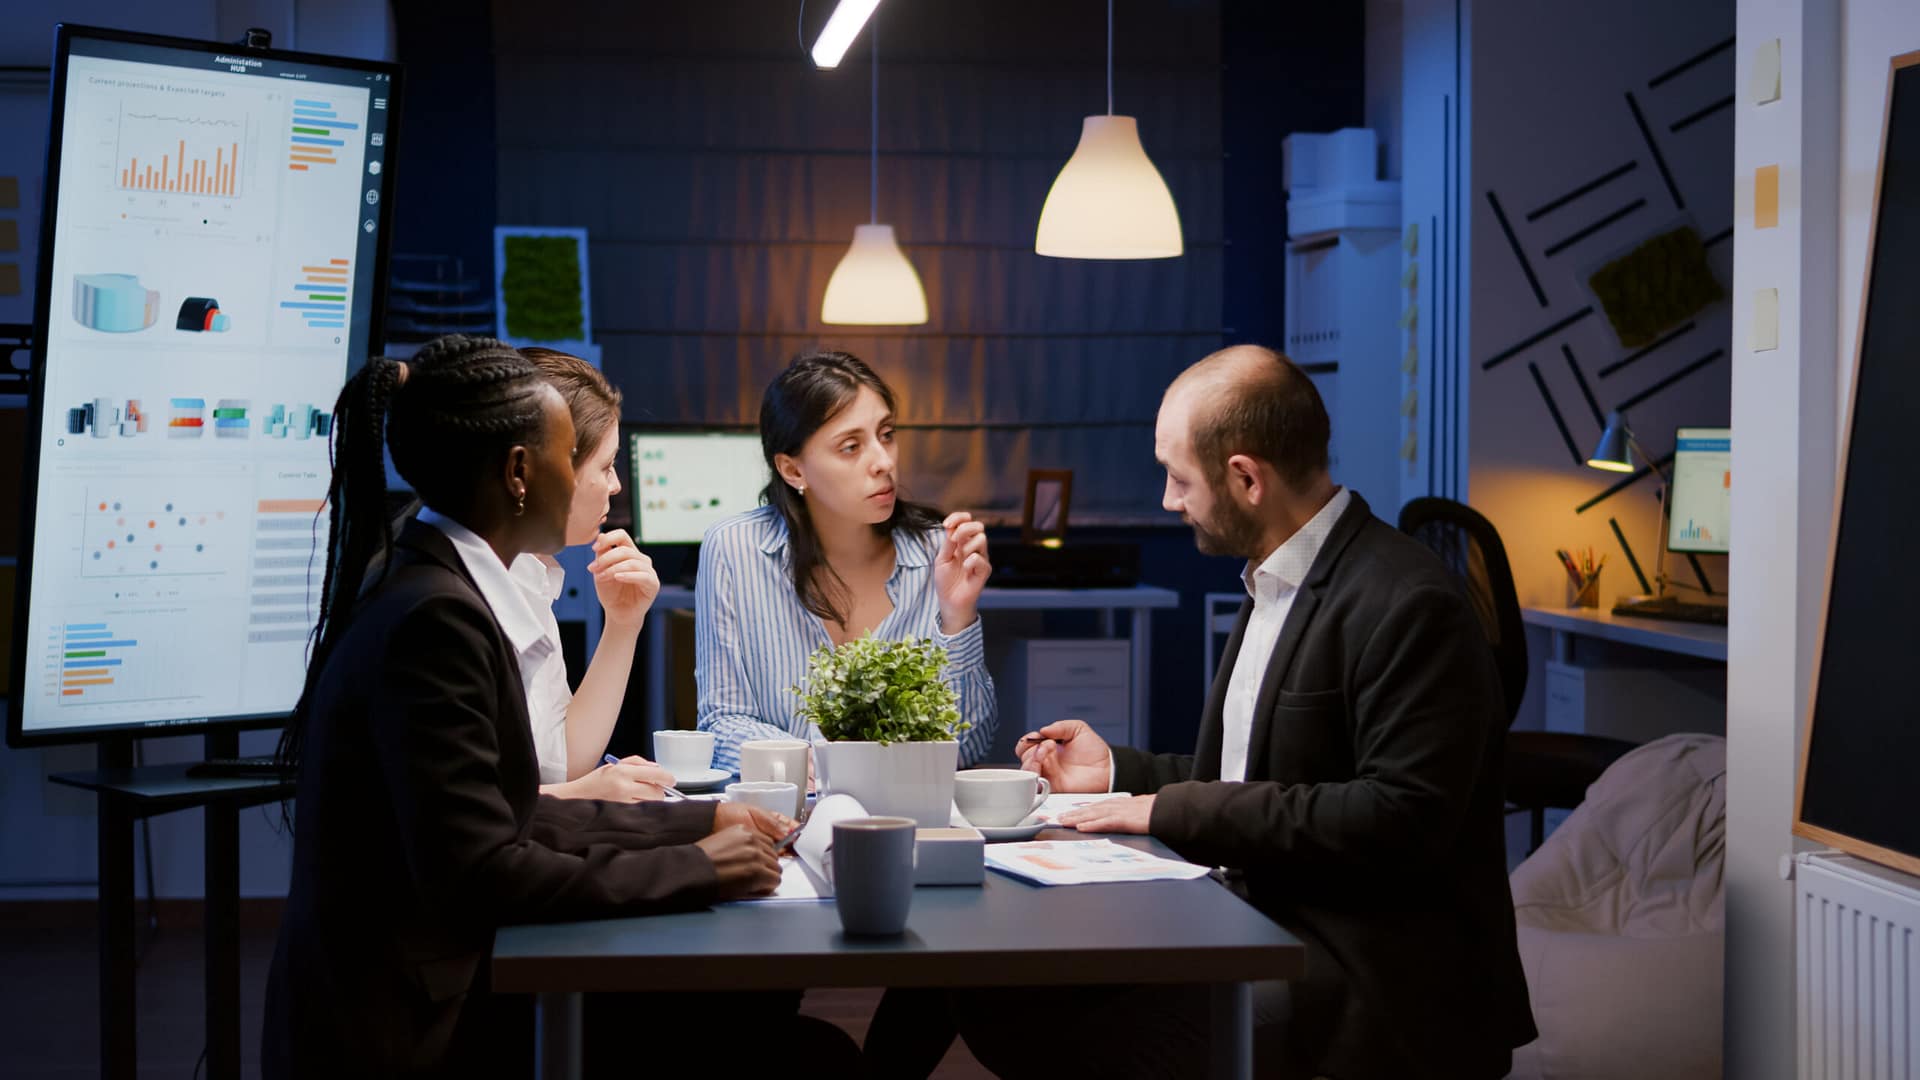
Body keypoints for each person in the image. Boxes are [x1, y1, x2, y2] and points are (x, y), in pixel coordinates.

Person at [976, 345, 1536, 1079]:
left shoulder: (1409, 602)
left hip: (1366, 968)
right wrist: (1115, 772)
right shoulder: (1277, 582)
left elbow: (1399, 819)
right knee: (996, 990)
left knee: (1124, 1042)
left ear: (1245, 478)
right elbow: (1250, 778)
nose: (1169, 500)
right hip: (1254, 917)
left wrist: (1167, 810)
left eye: (1179, 479)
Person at [261, 335, 792, 1077]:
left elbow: (505, 810)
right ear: (519, 472)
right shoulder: (434, 619)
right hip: (409, 1025)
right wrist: (699, 865)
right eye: (577, 454)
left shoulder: (444, 584)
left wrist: (700, 820)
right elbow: (482, 870)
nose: (605, 484)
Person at [694, 349, 998, 774]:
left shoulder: (937, 554)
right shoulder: (733, 550)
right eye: (851, 446)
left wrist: (957, 616)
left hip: (906, 818)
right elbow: (721, 725)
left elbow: (969, 747)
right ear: (792, 470)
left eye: (887, 434)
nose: (884, 462)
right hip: (783, 820)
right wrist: (839, 764)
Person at [512, 347, 673, 801]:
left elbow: (562, 762)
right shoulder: (464, 596)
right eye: (605, 466)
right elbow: (466, 814)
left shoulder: (530, 577)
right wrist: (589, 793)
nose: (616, 484)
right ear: (539, 472)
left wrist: (624, 624)